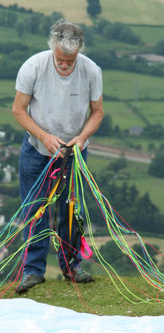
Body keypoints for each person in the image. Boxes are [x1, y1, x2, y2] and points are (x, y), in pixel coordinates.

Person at [12, 19, 104, 294]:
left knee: (70, 210)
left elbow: (97, 111)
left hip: (74, 153)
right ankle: (33, 271)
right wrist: (44, 136)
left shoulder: (90, 70)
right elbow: (18, 110)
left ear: (79, 53)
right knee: (35, 210)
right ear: (52, 49)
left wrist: (82, 137)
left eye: (70, 61)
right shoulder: (33, 66)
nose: (65, 66)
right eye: (61, 60)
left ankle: (71, 266)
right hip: (36, 150)